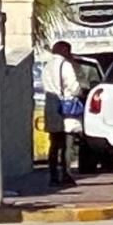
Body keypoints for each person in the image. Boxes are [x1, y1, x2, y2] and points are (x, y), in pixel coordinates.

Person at [43, 41, 82, 186]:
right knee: (67, 143)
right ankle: (66, 175)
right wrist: (80, 92)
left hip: (50, 103)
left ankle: (53, 176)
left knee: (54, 144)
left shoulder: (47, 65)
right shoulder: (65, 65)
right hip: (64, 106)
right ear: (65, 51)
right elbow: (73, 87)